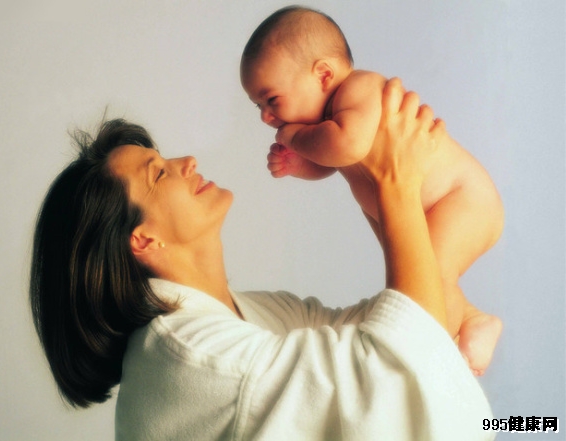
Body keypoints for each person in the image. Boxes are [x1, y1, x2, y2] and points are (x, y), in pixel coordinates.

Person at [30, 79, 494, 440]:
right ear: (143, 240)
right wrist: (396, 182)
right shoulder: (196, 357)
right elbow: (401, 364)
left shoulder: (262, 314)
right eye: (159, 173)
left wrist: (382, 183)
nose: (187, 160)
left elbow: (412, 327)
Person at [240, 5, 504, 376]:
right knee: (424, 273)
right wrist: (301, 165)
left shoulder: (358, 89)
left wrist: (296, 137)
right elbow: (334, 162)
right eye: (258, 106)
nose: (266, 117)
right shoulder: (331, 122)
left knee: (429, 277)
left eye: (271, 100)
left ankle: (436, 362)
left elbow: (347, 146)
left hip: (460, 199)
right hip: (422, 207)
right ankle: (475, 320)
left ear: (323, 74)